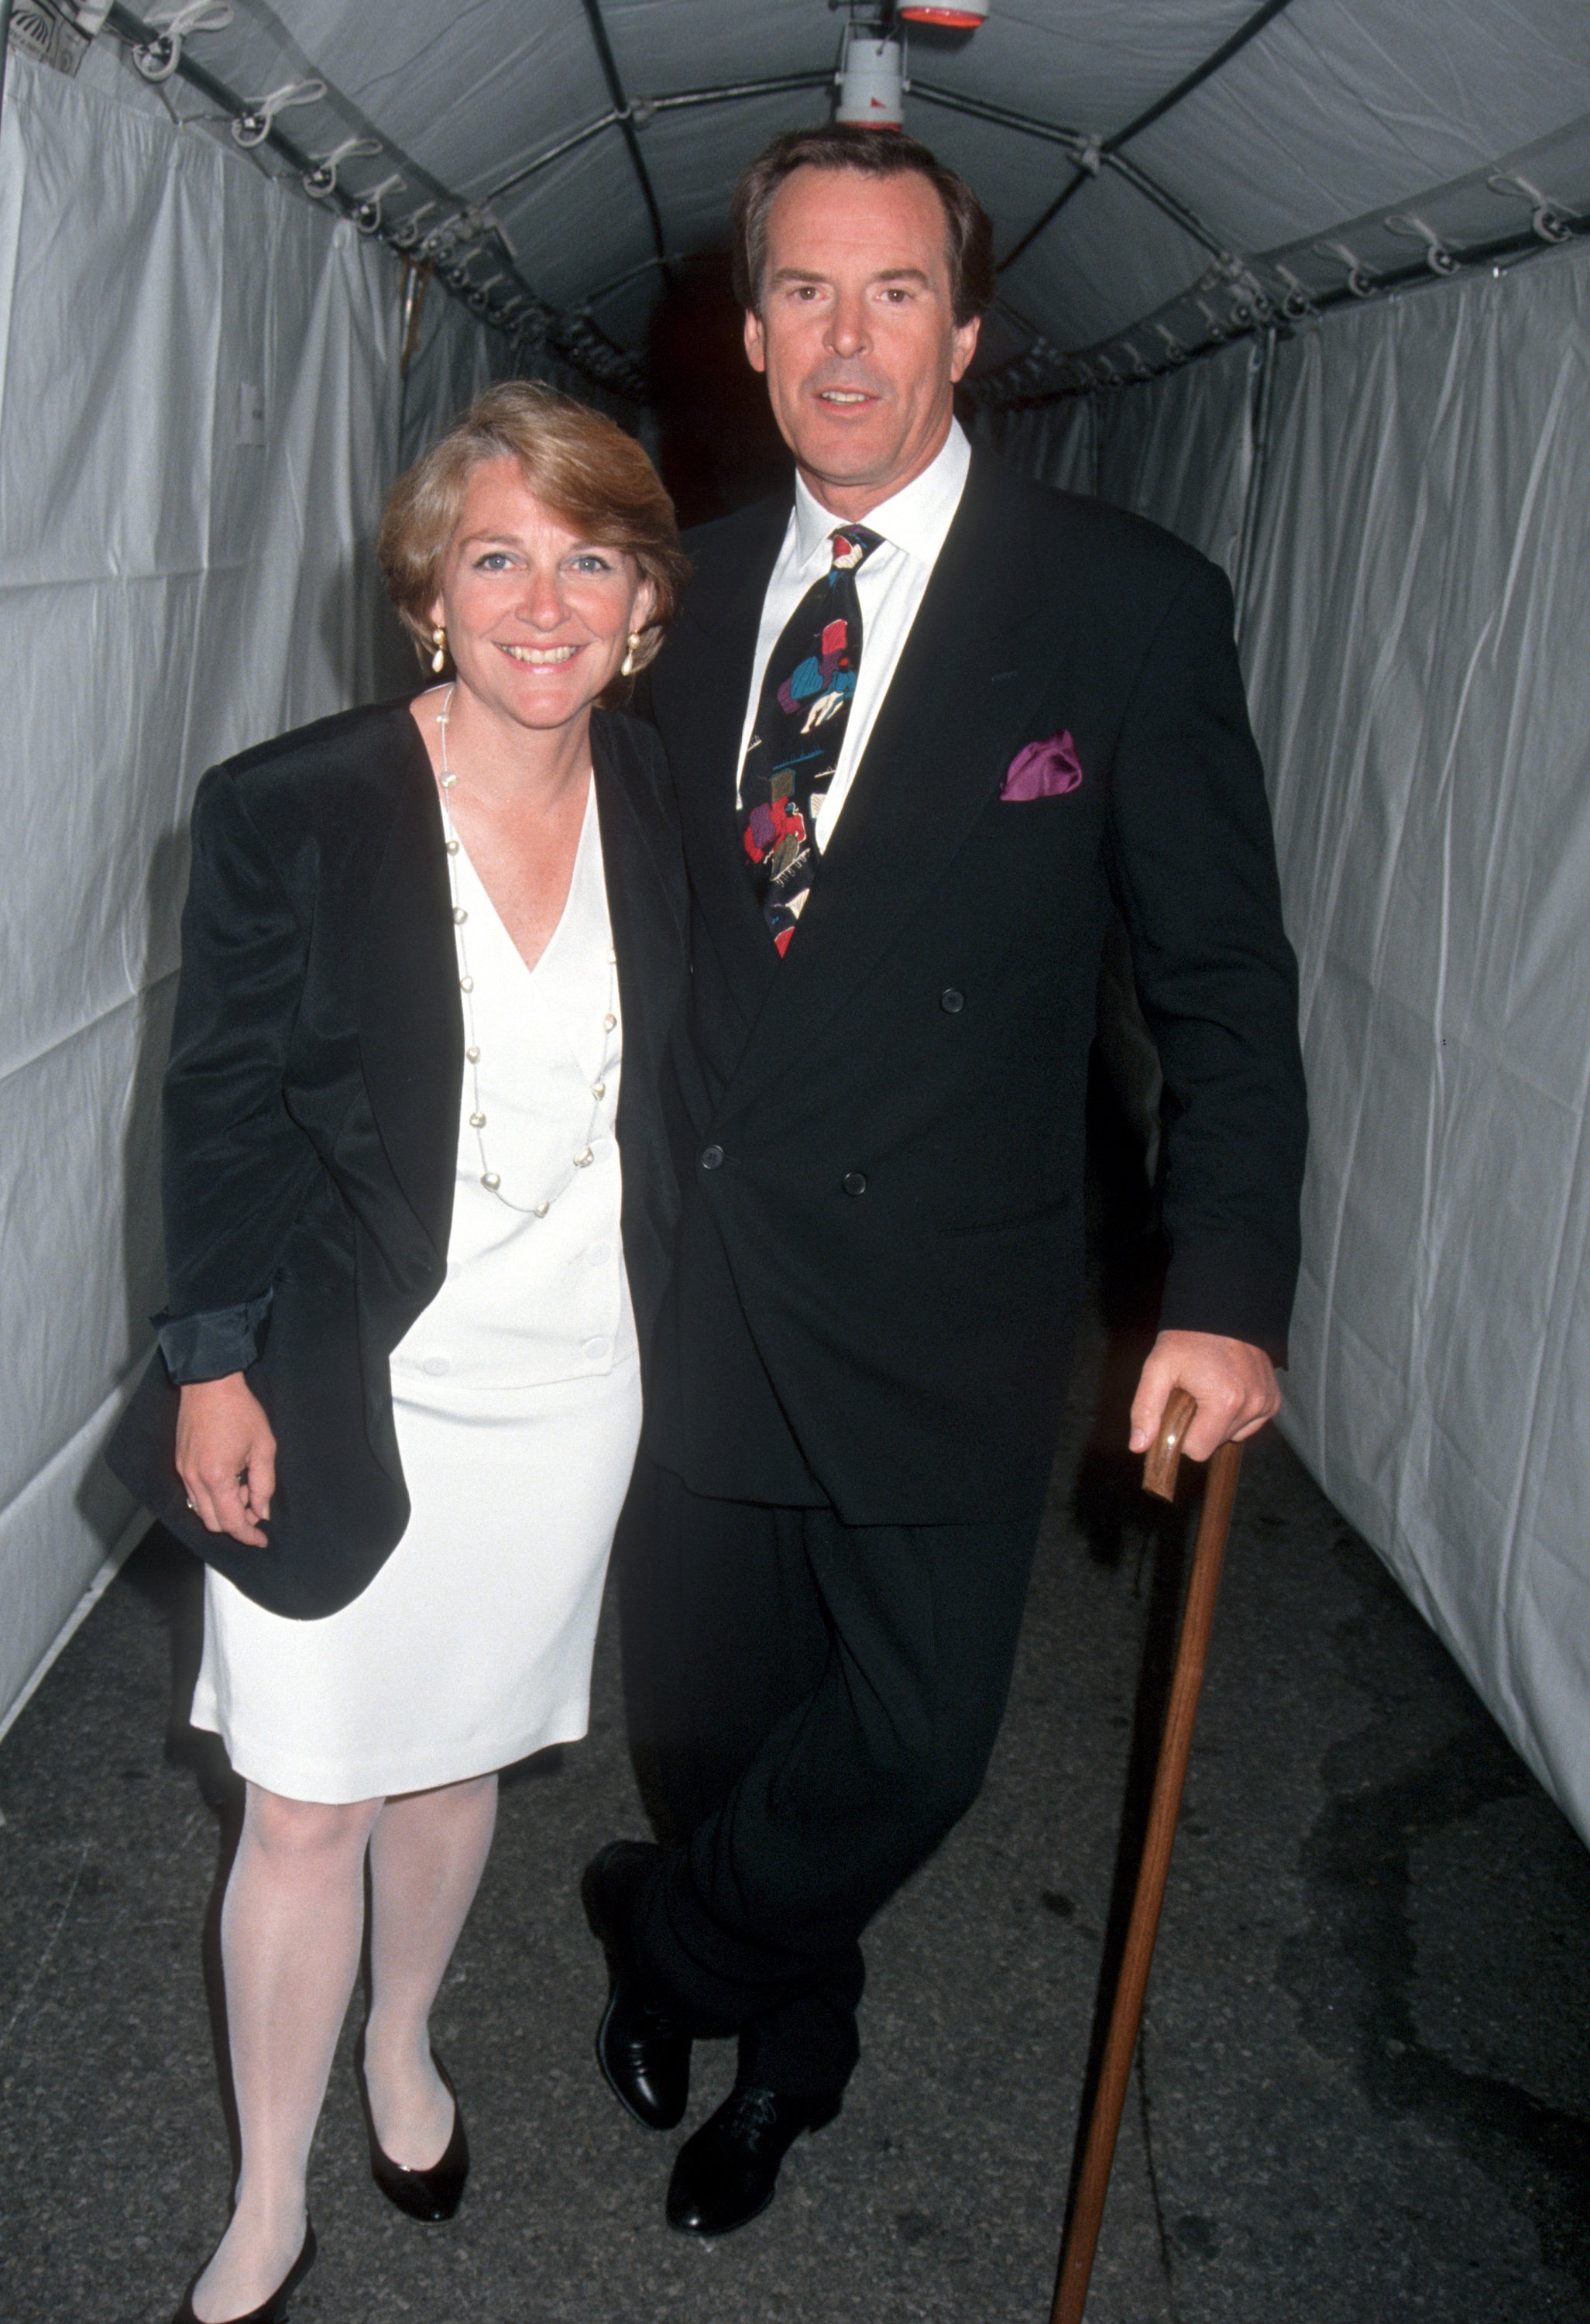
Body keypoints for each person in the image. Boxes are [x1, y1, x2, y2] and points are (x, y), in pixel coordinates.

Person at [583, 125, 1309, 2237]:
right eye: (801, 289)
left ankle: (675, 1945)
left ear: (967, 331)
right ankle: (784, 2047)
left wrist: (1226, 1279)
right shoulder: (676, 591)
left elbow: (1220, 985)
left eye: (892, 290)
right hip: (700, 1292)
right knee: (708, 1736)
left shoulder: (1120, 612)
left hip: (942, 1312)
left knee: (906, 1748)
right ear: (744, 328)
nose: (843, 336)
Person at [108, 380, 688, 2322]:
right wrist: (209, 1359)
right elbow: (219, 1108)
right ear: (431, 592)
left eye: (586, 558)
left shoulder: (674, 803)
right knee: (306, 1800)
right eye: (498, 556)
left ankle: (402, 2043)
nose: (544, 601)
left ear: (641, 601)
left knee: (457, 1773)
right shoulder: (295, 803)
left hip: (568, 1386)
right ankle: (269, 2185)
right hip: (338, 1372)